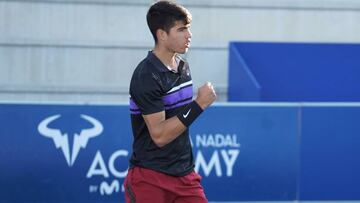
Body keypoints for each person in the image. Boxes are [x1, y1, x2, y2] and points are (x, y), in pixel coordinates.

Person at [124, 1, 216, 202]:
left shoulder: (183, 66)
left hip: (185, 177)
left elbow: (178, 120)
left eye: (188, 28)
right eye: (181, 29)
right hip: (149, 178)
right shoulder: (146, 75)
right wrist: (199, 104)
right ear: (162, 35)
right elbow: (160, 135)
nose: (189, 35)